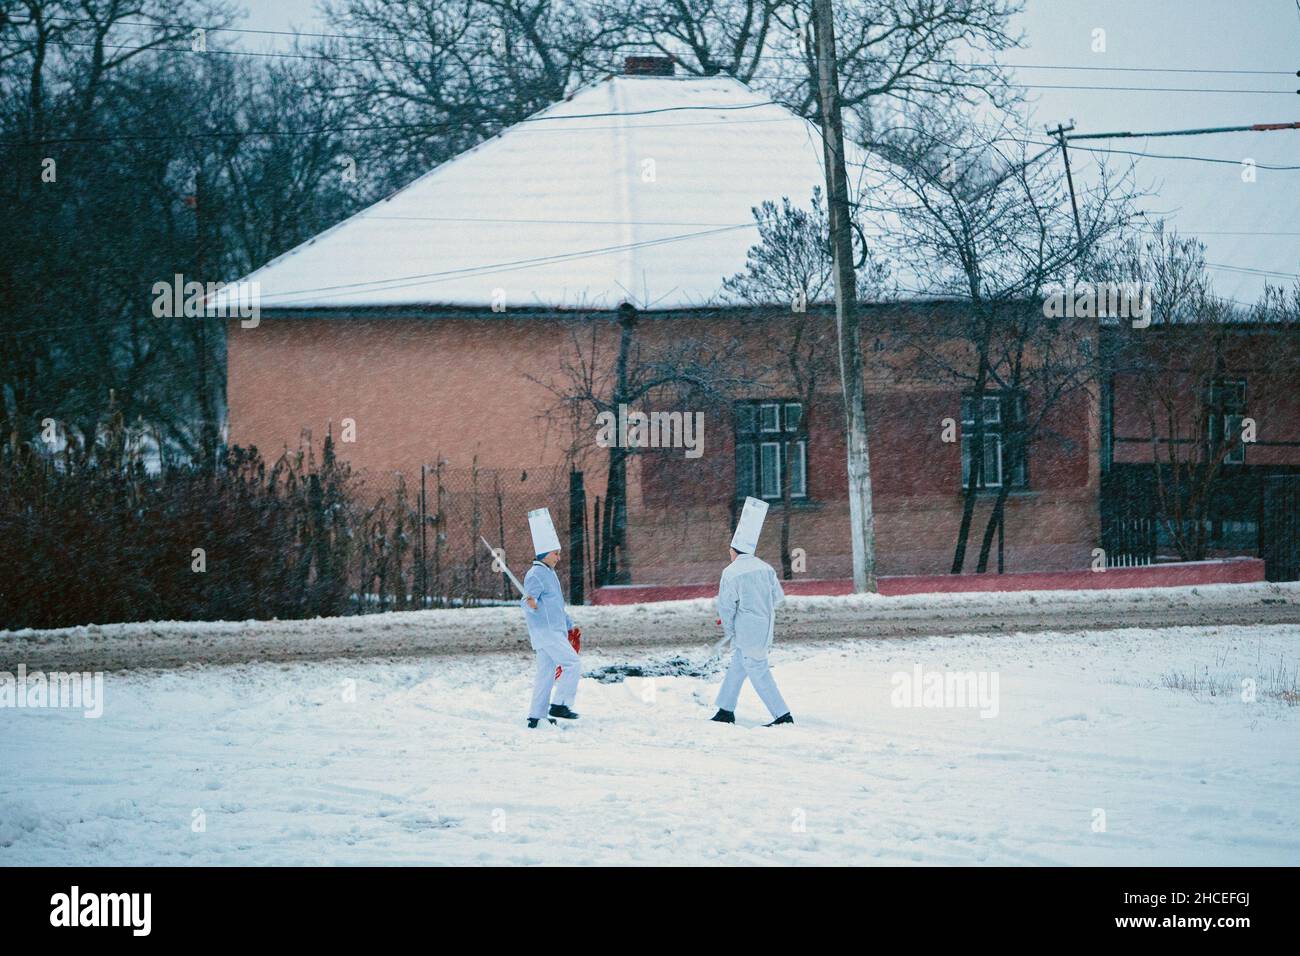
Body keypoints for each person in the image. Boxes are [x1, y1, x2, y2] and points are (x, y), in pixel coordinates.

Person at [711, 497, 794, 727]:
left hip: (745, 630)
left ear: (734, 551)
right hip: (765, 628)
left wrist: (729, 627)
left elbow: (727, 607)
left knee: (758, 671)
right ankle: (725, 710)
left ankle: (782, 715)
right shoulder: (765, 568)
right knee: (739, 665)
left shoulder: (731, 572)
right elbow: (777, 597)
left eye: (730, 551)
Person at [520, 507, 580, 728]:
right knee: (572, 663)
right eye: (556, 553)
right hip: (546, 632)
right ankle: (560, 704)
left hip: (553, 630)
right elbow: (527, 601)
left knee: (545, 674)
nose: (559, 557)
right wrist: (530, 603)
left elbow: (555, 606)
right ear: (545, 553)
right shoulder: (535, 574)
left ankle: (536, 716)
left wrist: (569, 624)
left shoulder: (549, 573)